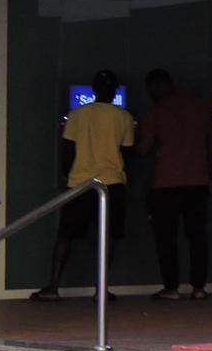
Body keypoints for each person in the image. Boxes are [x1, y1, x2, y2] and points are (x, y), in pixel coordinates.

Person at [33, 71, 135, 302]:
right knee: (107, 238)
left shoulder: (78, 114)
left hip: (80, 182)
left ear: (94, 89)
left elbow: (68, 148)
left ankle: (53, 286)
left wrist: (65, 175)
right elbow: (127, 152)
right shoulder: (124, 117)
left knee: (65, 235)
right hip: (112, 182)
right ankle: (100, 290)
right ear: (115, 91)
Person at [142, 68, 212, 301]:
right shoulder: (202, 107)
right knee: (197, 235)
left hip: (166, 183)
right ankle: (199, 288)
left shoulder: (156, 111)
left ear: (155, 87)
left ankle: (171, 288)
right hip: (198, 180)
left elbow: (143, 148)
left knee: (167, 237)